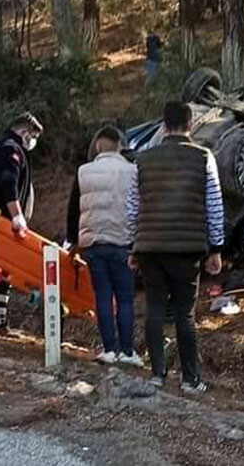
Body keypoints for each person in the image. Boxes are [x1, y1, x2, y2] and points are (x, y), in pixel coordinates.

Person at [127, 102, 225, 393]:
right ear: (191, 124)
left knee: (154, 307)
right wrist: (216, 247)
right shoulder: (203, 156)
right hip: (188, 246)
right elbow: (214, 204)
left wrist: (133, 246)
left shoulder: (143, 159)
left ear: (163, 125)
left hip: (150, 247)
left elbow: (132, 207)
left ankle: (157, 373)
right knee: (184, 313)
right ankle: (190, 379)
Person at [65, 126, 144, 366]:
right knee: (126, 299)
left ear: (98, 146)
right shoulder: (132, 171)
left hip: (93, 243)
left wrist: (73, 240)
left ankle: (109, 349)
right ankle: (128, 351)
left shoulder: (84, 171)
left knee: (102, 296)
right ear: (121, 145)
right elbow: (139, 206)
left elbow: (73, 208)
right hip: (123, 242)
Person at [0, 113, 44, 331]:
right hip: (1, 219)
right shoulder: (11, 149)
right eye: (32, 136)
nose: (32, 141)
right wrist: (17, 215)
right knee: (3, 269)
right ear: (24, 132)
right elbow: (8, 182)